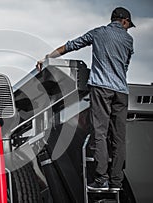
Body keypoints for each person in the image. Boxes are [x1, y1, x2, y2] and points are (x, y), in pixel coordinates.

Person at [36, 7, 135, 191]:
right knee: (119, 138)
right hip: (121, 91)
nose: (128, 29)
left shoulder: (98, 33)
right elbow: (125, 65)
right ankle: (116, 182)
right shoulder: (129, 40)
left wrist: (48, 57)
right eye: (129, 25)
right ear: (124, 21)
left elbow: (72, 45)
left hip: (101, 88)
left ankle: (101, 179)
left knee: (100, 133)